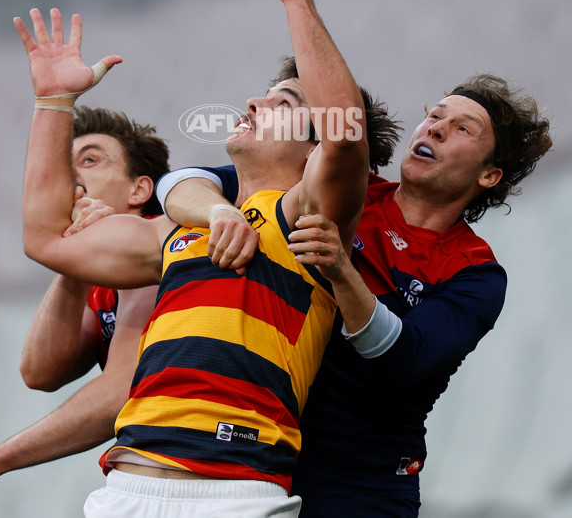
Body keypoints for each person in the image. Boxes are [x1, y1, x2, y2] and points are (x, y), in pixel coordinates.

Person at [14, 0, 371, 517]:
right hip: (124, 488)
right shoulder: (171, 237)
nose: (258, 100)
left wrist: (296, 0)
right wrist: (54, 104)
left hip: (236, 492)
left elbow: (345, 134)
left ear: (314, 148)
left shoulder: (311, 219)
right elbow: (48, 238)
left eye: (287, 100)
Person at [159, 72, 553, 516]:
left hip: (363, 487)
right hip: (268, 460)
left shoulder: (477, 274)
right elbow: (184, 181)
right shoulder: (350, 192)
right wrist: (217, 211)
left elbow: (405, 359)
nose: (434, 129)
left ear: (490, 174)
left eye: (463, 129)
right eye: (435, 116)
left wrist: (343, 273)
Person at [0, 106, 172, 489]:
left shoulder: (162, 245)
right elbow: (40, 372)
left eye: (91, 159)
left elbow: (123, 388)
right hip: (157, 471)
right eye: (67, 164)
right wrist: (74, 259)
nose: (71, 174)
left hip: (208, 473)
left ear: (139, 190)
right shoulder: (102, 281)